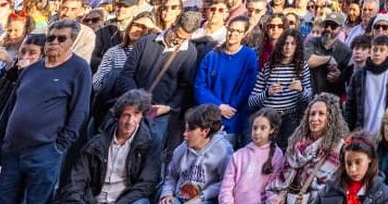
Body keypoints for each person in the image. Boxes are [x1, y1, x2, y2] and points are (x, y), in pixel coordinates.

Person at [0, 17, 94, 204]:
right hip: (12, 150)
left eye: (61, 39)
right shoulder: (32, 69)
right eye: (50, 38)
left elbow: (80, 111)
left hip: (44, 152)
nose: (54, 42)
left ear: (72, 41)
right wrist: (0, 139)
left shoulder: (79, 69)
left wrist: (60, 145)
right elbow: (11, 106)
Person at [30, 89, 163, 204]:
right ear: (118, 116)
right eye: (126, 115)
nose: (130, 121)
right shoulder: (97, 143)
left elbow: (147, 184)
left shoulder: (149, 142)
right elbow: (74, 183)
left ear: (142, 115)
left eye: (136, 114)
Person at [250, 97, 346, 204]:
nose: (315, 118)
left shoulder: (337, 147)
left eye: (321, 114)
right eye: (312, 114)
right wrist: (281, 196)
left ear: (330, 118)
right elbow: (283, 178)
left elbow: (327, 190)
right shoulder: (297, 142)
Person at [155, 103, 233, 204]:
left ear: (205, 131)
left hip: (207, 201)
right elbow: (171, 175)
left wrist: (199, 198)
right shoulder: (181, 149)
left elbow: (226, 183)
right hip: (179, 198)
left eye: (190, 130)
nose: (184, 134)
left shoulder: (223, 150)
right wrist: (167, 192)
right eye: (185, 129)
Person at [124, 13, 203, 151]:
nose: (179, 41)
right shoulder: (147, 41)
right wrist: (135, 100)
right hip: (132, 106)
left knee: (151, 151)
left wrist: (169, 107)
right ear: (172, 26)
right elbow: (126, 74)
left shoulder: (190, 52)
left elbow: (185, 87)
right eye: (177, 35)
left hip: (158, 114)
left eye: (184, 39)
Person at [205, 108, 284, 204]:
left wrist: (275, 202)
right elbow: (226, 189)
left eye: (263, 128)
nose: (257, 132)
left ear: (271, 130)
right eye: (255, 128)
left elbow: (273, 186)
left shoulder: (277, 155)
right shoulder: (239, 155)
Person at [195, 17, 259, 145]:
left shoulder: (249, 56)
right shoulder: (212, 56)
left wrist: (229, 110)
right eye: (231, 29)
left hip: (232, 118)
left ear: (245, 33)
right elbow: (200, 86)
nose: (232, 33)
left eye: (238, 31)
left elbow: (247, 88)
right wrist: (218, 106)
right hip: (208, 117)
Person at [248, 29, 311, 143]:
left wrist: (301, 90)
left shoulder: (302, 67)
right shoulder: (269, 66)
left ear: (298, 47)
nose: (288, 47)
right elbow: (251, 101)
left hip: (290, 118)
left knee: (287, 149)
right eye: (285, 43)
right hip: (268, 117)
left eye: (293, 43)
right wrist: (267, 93)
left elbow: (309, 97)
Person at [343, 35, 388, 135]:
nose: (377, 53)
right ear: (370, 51)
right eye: (375, 49)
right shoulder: (358, 75)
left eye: (382, 50)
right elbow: (350, 107)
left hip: (387, 132)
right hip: (362, 132)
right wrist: (347, 133)